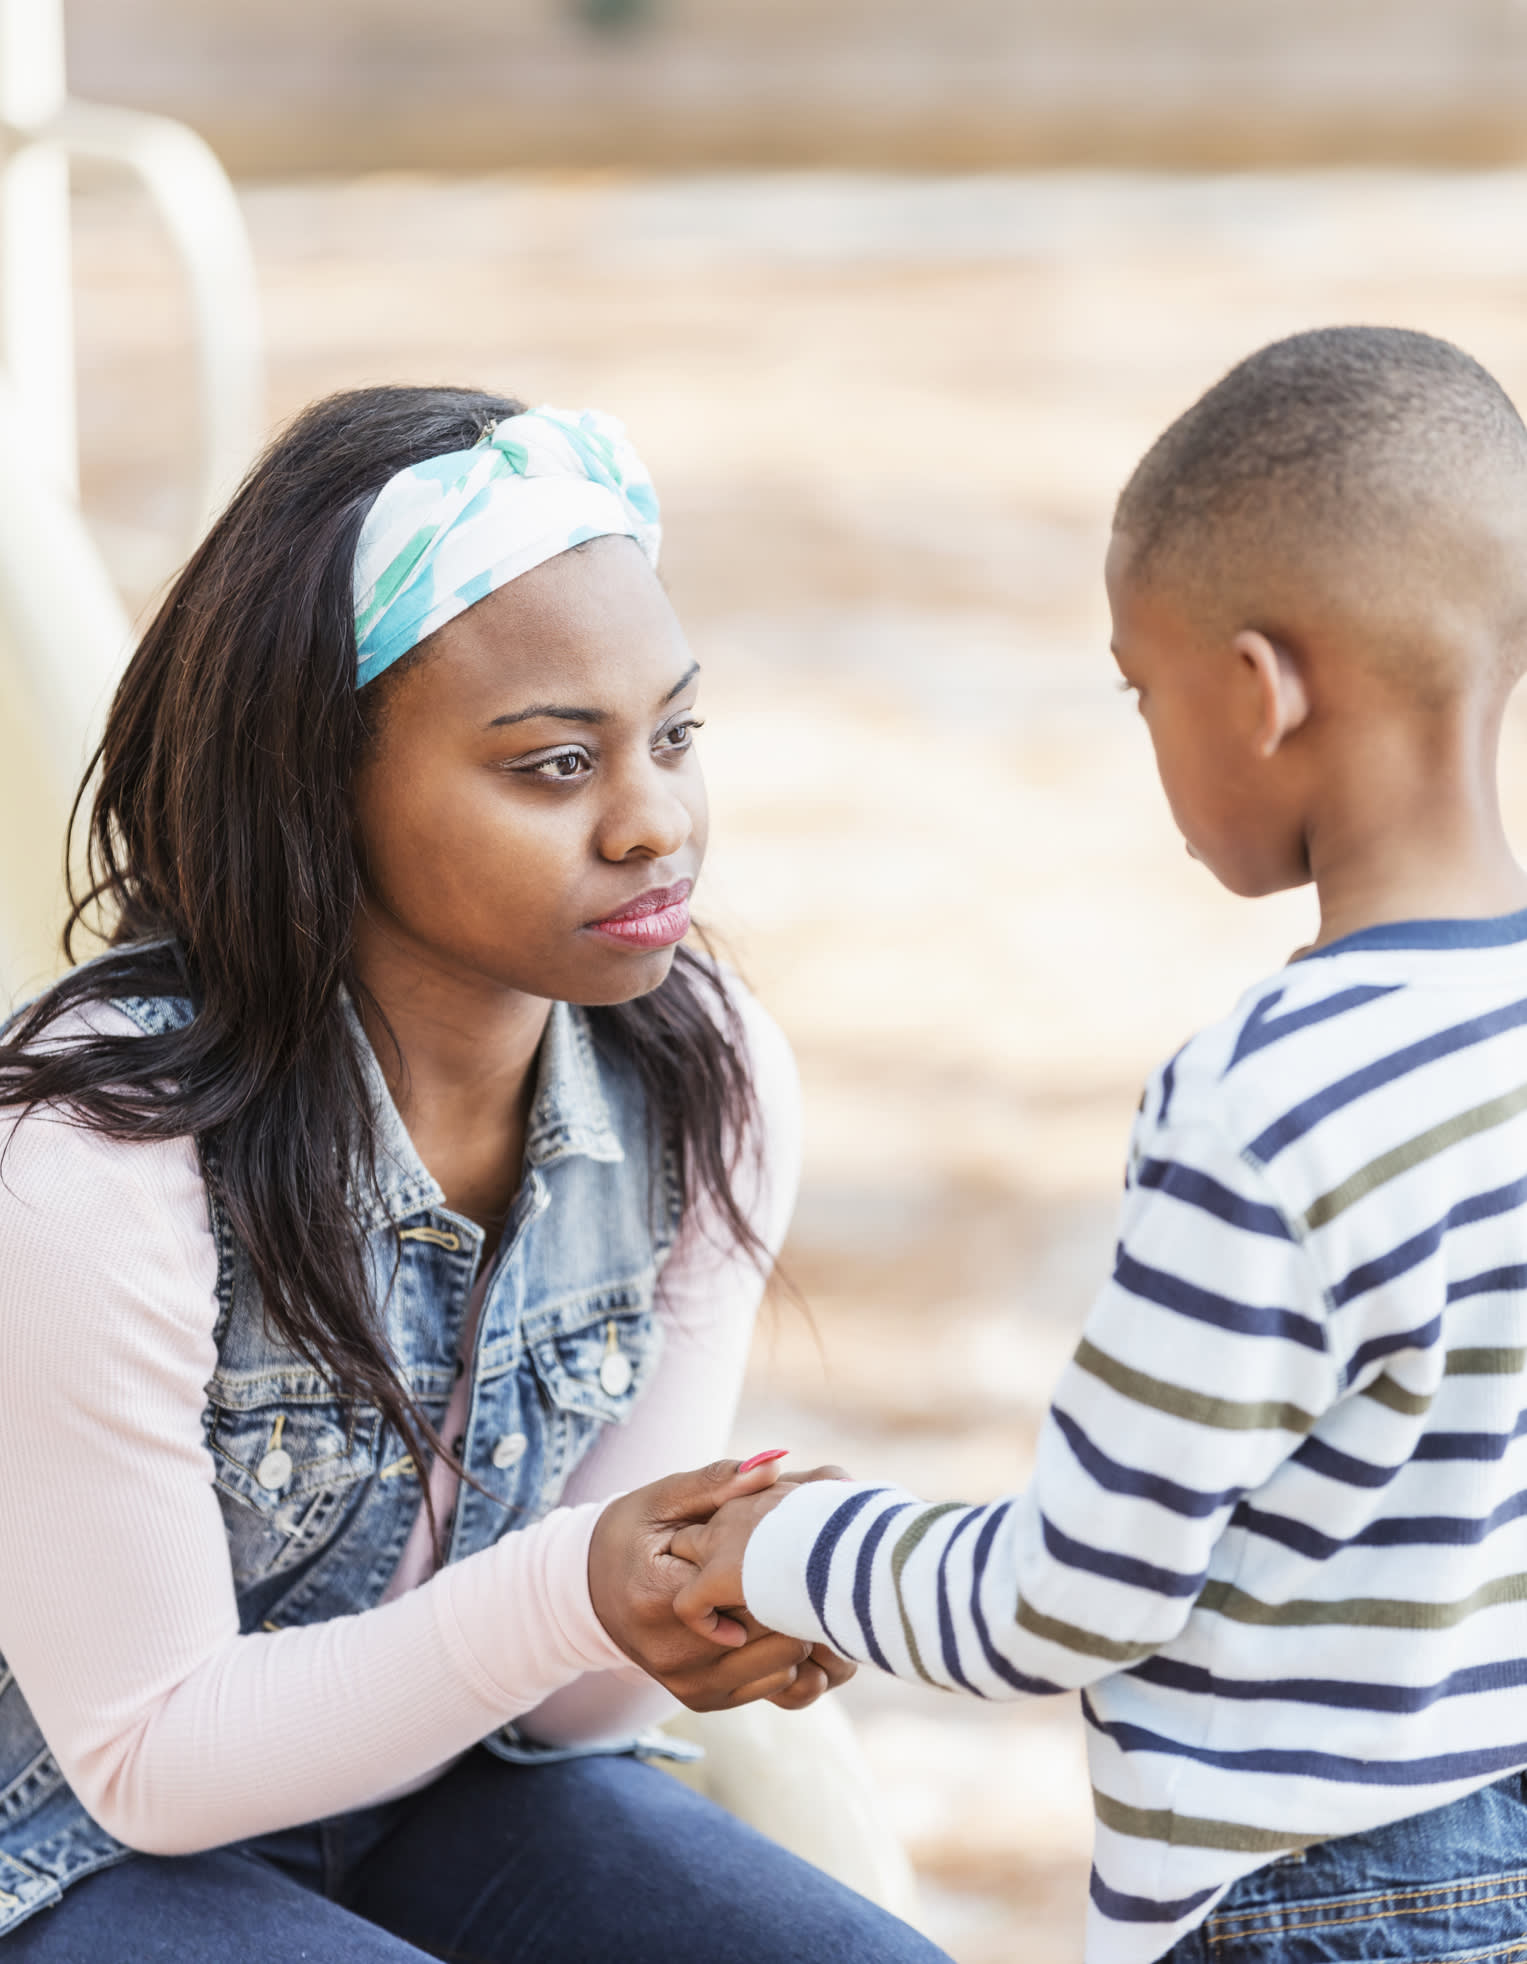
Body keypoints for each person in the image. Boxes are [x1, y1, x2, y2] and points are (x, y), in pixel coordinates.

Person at [0, 386, 947, 1964]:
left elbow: (575, 1707)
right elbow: (151, 1762)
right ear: (316, 789)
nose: (656, 824)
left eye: (676, 735)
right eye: (555, 765)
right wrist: (580, 1581)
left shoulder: (701, 1081)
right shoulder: (98, 1154)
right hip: (62, 1839)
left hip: (445, 1787)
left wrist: (711, 1582)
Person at [667, 326, 1527, 1962]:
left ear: (1263, 693)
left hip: (1318, 1905)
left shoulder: (1269, 1103)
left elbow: (1071, 1597)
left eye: (1144, 690)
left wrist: (792, 1547)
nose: (1147, 744)